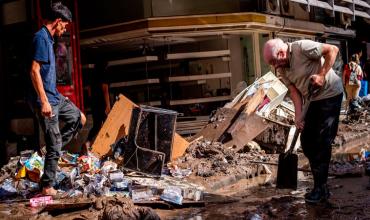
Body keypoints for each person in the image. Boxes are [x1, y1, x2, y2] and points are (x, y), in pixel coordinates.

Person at [263, 38, 343, 204]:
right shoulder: (282, 69)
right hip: (311, 100)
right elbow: (293, 92)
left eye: (274, 62)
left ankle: (320, 188)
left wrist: (321, 75)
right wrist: (298, 115)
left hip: (330, 95)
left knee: (321, 141)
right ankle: (321, 186)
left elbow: (332, 50)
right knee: (307, 142)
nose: (275, 67)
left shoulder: (301, 47)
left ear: (281, 53)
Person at [29, 2, 86, 196]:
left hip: (55, 95)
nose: (64, 29)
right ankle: (47, 187)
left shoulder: (50, 39)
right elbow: (34, 71)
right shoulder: (41, 38)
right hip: (47, 100)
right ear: (58, 21)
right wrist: (44, 101)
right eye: (65, 26)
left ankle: (53, 146)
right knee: (55, 144)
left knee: (79, 118)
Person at [84, 60, 111, 150]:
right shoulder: (104, 74)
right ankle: (106, 146)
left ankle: (88, 142)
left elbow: (89, 91)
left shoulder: (92, 75)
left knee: (96, 125)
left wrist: (91, 101)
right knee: (107, 124)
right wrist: (108, 105)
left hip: (94, 103)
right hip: (102, 103)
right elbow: (105, 90)